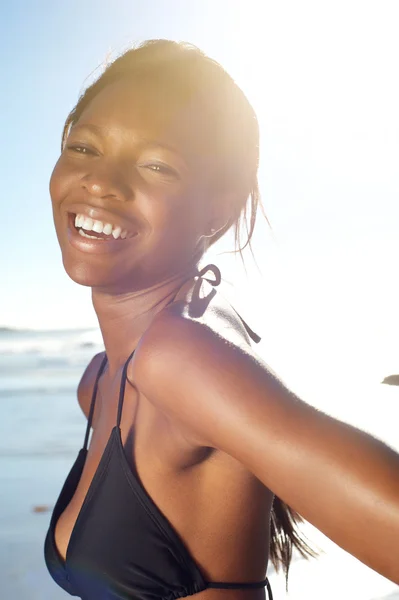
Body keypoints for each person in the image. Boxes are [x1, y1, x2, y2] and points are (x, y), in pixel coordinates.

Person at [44, 40, 399, 600]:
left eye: (158, 165)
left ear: (219, 206)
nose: (101, 182)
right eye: (84, 148)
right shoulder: (100, 382)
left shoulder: (179, 362)